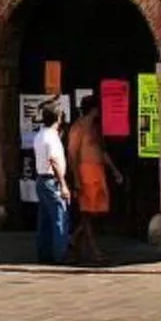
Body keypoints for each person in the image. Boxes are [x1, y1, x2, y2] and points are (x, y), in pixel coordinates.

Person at [67, 95, 125, 265]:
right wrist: (76, 179)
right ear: (93, 109)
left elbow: (102, 151)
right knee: (87, 213)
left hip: (98, 172)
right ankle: (94, 251)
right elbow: (72, 154)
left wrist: (114, 170)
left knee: (98, 211)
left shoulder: (96, 128)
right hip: (85, 172)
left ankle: (75, 239)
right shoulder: (78, 128)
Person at [29, 104, 70, 265]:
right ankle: (60, 255)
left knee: (45, 220)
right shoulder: (51, 137)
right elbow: (53, 160)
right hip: (52, 180)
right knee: (60, 217)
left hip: (41, 180)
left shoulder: (40, 135)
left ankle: (44, 254)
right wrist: (63, 184)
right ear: (58, 118)